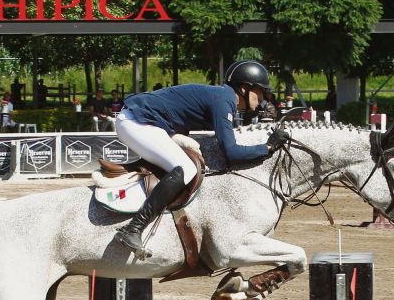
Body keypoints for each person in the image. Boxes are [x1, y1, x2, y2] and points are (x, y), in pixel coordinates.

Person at [113, 60, 287, 258]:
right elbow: (231, 152)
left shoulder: (224, 97)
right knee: (186, 169)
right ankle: (133, 229)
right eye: (261, 92)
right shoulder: (224, 100)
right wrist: (268, 147)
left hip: (147, 122)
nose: (264, 98)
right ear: (245, 88)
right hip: (137, 122)